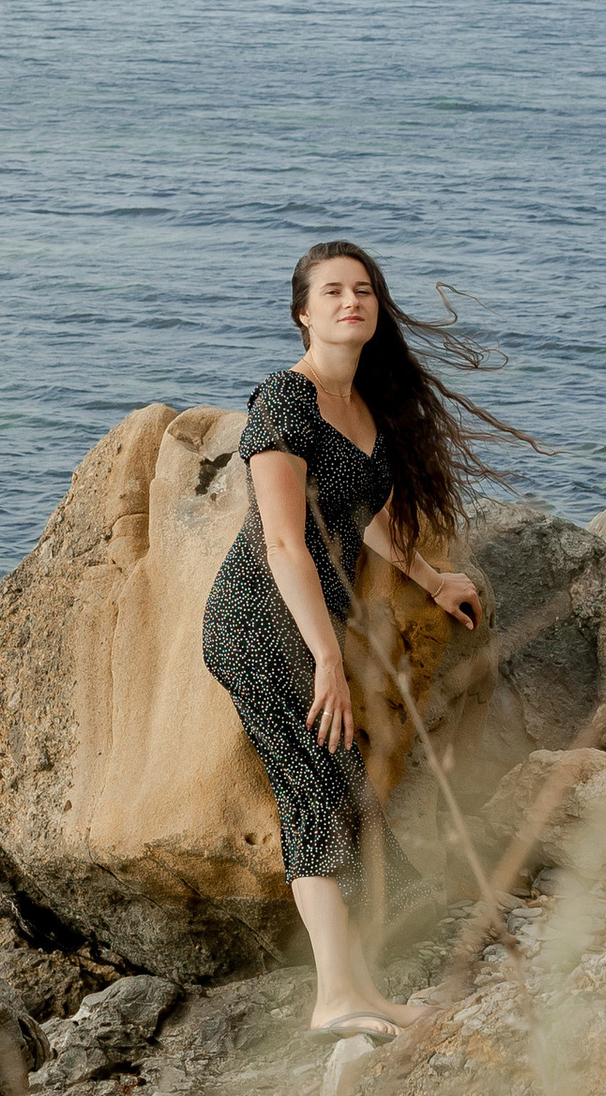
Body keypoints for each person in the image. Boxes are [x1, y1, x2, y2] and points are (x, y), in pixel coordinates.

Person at [200, 239, 523, 1038]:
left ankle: (358, 991)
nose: (353, 301)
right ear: (303, 313)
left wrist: (432, 579)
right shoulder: (285, 399)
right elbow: (283, 542)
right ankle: (336, 999)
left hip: (307, 626)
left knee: (344, 794)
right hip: (255, 622)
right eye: (334, 291)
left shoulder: (366, 408)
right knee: (315, 791)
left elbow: (363, 520)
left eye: (365, 290)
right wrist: (325, 660)